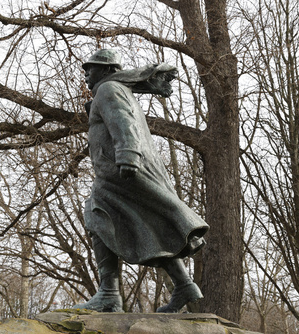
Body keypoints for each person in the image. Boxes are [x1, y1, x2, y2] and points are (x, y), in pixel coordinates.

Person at [74, 49, 209, 313]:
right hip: (120, 171)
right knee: (150, 223)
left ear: (106, 70)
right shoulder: (115, 89)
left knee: (96, 214)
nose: (86, 73)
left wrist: (127, 155)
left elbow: (123, 122)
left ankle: (109, 294)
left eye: (91, 68)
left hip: (120, 171)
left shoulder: (108, 89)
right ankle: (183, 284)